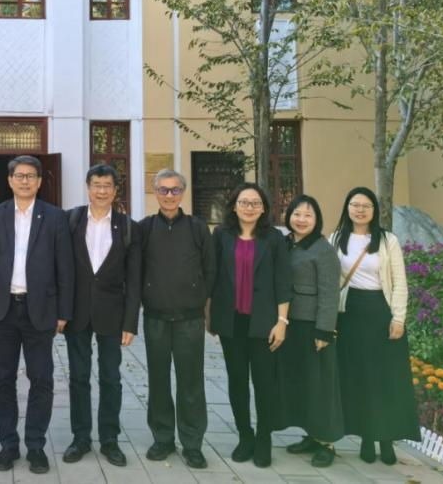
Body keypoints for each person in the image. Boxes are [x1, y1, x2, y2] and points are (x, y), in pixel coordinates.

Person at [0, 155, 74, 474]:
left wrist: (64, 312)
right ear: (9, 180)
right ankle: (8, 444)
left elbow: (65, 267)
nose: (25, 181)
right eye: (19, 176)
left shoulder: (55, 216)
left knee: (42, 379)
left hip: (40, 311)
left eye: (31, 176)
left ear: (39, 181)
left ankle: (35, 446)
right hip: (1, 311)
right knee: (2, 379)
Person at [331, 186, 420, 465]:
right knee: (359, 379)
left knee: (385, 379)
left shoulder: (387, 240)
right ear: (347, 208)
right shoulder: (336, 238)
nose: (360, 210)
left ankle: (386, 439)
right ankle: (367, 438)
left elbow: (400, 282)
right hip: (349, 315)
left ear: (374, 210)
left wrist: (398, 318)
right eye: (355, 205)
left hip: (380, 313)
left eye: (366, 206)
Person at [62, 164, 141, 468]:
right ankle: (80, 438)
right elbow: (61, 270)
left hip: (112, 314)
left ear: (116, 190)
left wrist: (131, 322)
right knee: (78, 377)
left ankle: (110, 439)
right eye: (96, 185)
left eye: (108, 185)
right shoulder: (71, 220)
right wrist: (61, 312)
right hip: (77, 314)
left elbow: (134, 280)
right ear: (88, 188)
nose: (102, 191)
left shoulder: (128, 227)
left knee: (111, 378)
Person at [208, 182, 291, 468]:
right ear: (234, 206)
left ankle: (264, 437)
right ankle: (245, 436)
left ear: (264, 208)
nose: (249, 207)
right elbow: (213, 276)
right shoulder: (221, 235)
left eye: (256, 203)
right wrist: (209, 316)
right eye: (244, 202)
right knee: (237, 381)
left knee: (264, 383)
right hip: (232, 323)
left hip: (264, 323)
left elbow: (283, 281)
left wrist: (282, 321)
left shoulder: (274, 238)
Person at [139, 169, 213, 469]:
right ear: (155, 192)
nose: (169, 195)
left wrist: (198, 300)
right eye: (163, 190)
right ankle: (163, 438)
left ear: (182, 193)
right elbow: (137, 270)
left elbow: (210, 270)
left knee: (191, 383)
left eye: (175, 190)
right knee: (158, 382)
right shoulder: (145, 228)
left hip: (189, 320)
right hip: (155, 317)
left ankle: (192, 443)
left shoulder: (197, 228)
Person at [276, 194, 343, 467]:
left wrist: (324, 331)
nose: (301, 220)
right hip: (289, 324)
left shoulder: (323, 249)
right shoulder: (286, 243)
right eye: (297, 214)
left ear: (317, 220)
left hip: (313, 327)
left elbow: (330, 293)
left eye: (308, 215)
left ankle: (327, 442)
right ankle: (311, 435)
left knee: (320, 386)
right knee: (302, 383)